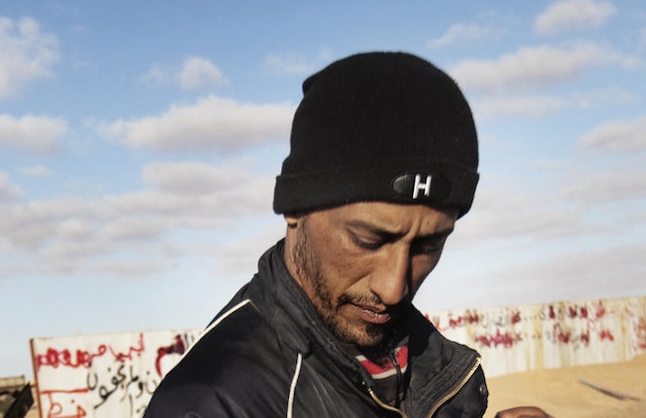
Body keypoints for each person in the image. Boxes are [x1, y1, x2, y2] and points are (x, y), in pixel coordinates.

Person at [143, 52, 550, 417]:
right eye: (368, 240)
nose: (394, 288)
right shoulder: (211, 406)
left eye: (428, 245)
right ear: (295, 209)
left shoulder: (422, 358)